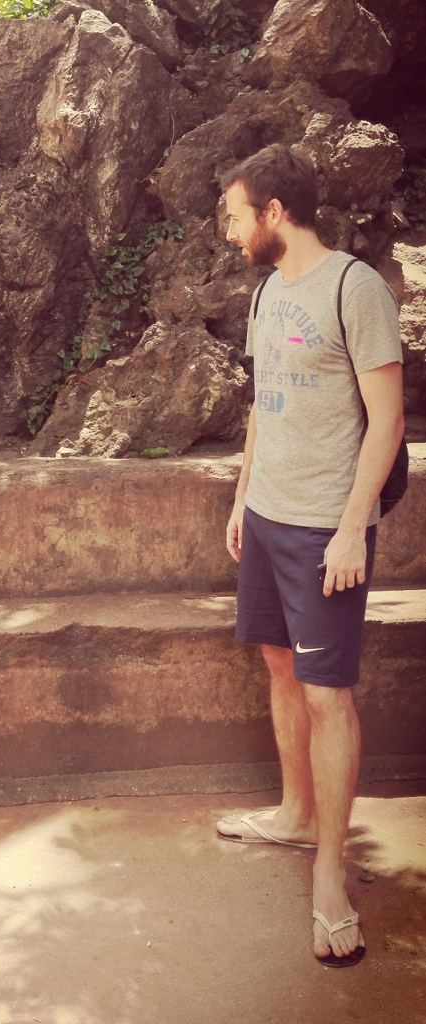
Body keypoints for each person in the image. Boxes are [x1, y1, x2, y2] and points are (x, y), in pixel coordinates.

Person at [216, 144, 404, 967]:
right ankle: (294, 817)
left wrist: (350, 526)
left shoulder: (351, 289)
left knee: (327, 693)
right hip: (264, 518)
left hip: (324, 528)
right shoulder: (266, 291)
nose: (227, 232)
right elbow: (264, 404)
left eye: (232, 215)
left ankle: (331, 870)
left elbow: (388, 420)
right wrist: (238, 496)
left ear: (273, 213)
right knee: (278, 664)